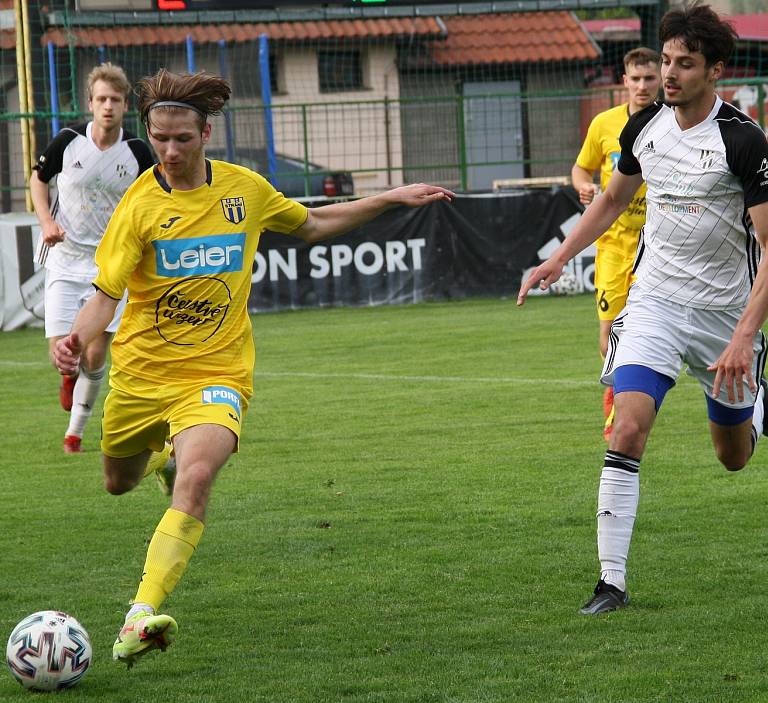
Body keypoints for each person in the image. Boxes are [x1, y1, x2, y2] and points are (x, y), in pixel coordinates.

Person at [52, 68, 455, 666]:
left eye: (182, 139)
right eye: (159, 138)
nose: (168, 151)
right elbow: (107, 294)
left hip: (218, 373)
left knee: (199, 477)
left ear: (206, 132)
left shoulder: (243, 191)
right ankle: (162, 456)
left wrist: (391, 198)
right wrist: (75, 339)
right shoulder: (139, 205)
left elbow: (313, 223)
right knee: (117, 480)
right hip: (141, 376)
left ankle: (139, 615)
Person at [518, 2, 768, 615]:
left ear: (714, 70)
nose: (669, 74)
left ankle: (753, 402)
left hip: (724, 318)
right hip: (655, 305)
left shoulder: (743, 141)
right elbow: (612, 201)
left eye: (685, 64)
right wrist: (559, 259)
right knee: (627, 427)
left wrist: (745, 337)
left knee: (733, 459)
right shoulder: (643, 128)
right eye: (665, 61)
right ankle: (610, 583)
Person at [30, 63, 155, 454]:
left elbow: (151, 198)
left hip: (109, 264)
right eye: (101, 99)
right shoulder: (67, 141)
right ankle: (68, 379)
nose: (107, 106)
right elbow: (38, 179)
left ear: (124, 106)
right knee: (62, 353)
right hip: (65, 258)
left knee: (98, 352)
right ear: (90, 103)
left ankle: (75, 432)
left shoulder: (136, 152)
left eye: (115, 100)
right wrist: (47, 220)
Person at [571, 48, 661, 442]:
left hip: (661, 248)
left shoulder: (671, 121)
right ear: (624, 81)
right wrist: (582, 185)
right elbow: (580, 167)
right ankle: (617, 409)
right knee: (609, 334)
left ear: (660, 79)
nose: (642, 86)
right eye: (635, 79)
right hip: (613, 246)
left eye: (649, 78)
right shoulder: (604, 124)